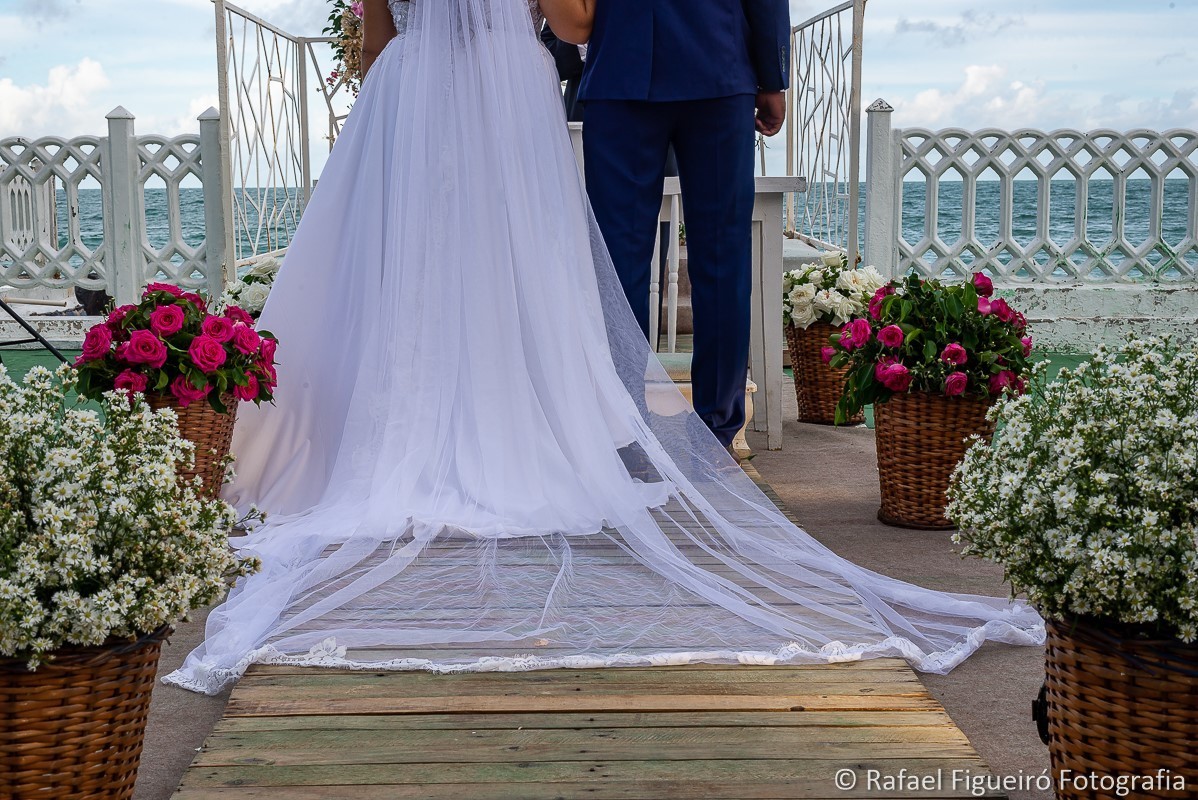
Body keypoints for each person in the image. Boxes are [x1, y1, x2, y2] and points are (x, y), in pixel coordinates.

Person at [164, 0, 1043, 696]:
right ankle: (698, 429)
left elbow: (379, 33)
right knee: (695, 256)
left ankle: (622, 425)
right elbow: (573, 16)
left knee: (570, 260)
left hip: (529, 76)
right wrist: (766, 71)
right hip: (681, 62)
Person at [581, 0, 790, 451]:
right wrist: (772, 76)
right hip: (716, 62)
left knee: (619, 263)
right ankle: (716, 435)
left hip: (621, 63)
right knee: (722, 256)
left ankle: (623, 435)